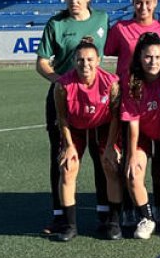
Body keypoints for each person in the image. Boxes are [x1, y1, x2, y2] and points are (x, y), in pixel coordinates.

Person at [35, 0, 110, 236]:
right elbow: (42, 63)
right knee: (63, 158)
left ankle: (106, 214)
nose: (73, 0)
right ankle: (60, 217)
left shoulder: (102, 19)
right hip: (63, 99)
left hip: (97, 99)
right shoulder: (56, 24)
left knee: (101, 156)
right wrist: (61, 82)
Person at [51, 37, 123, 241]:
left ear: (98, 60)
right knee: (68, 168)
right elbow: (62, 118)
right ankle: (70, 225)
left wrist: (110, 146)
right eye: (81, 60)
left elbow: (116, 117)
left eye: (90, 59)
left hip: (104, 127)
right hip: (75, 128)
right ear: (74, 61)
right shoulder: (62, 85)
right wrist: (68, 146)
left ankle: (113, 222)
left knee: (110, 166)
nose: (85, 64)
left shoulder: (111, 83)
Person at [119, 33, 160, 239]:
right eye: (148, 57)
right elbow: (133, 123)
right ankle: (147, 218)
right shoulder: (131, 81)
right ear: (140, 57)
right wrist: (131, 155)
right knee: (133, 173)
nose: (153, 62)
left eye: (157, 57)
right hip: (143, 135)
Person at [104, 0, 160, 83]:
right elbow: (106, 51)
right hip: (127, 86)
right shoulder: (120, 28)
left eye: (148, 2)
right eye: (139, 2)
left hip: (157, 87)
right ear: (133, 3)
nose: (143, 7)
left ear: (155, 2)